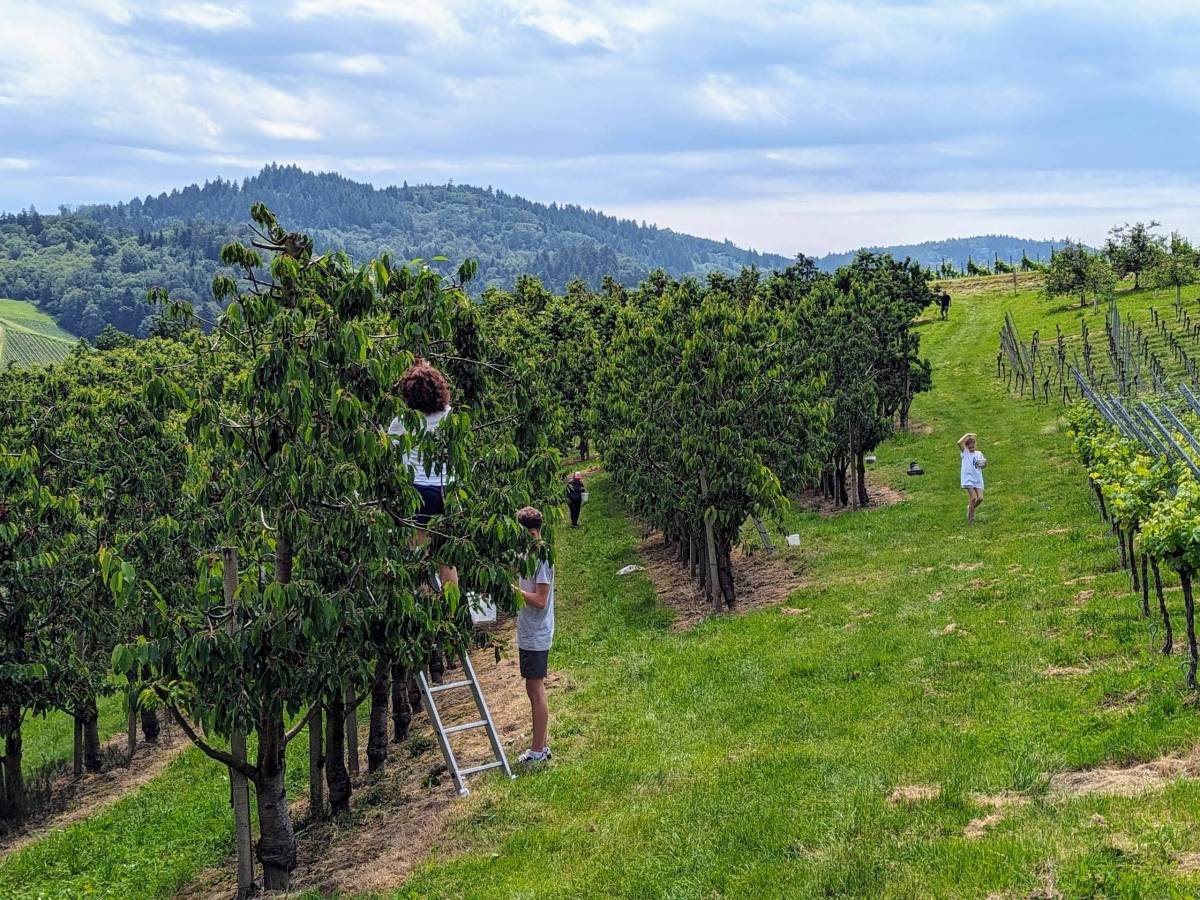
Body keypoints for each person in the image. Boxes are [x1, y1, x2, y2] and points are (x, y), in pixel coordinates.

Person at [389, 359, 458, 590]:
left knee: (419, 559)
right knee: (446, 560)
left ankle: (427, 612)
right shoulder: (449, 416)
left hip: (416, 492)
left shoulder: (399, 424)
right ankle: (451, 614)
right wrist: (426, 370)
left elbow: (392, 460)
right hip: (444, 489)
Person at [513, 506, 554, 764]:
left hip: (536, 631)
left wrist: (513, 591)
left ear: (530, 532)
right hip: (530, 629)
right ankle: (541, 746)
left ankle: (538, 751)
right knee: (533, 688)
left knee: (535, 689)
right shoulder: (530, 554)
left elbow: (540, 599)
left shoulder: (542, 556)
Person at [958, 432, 986, 523]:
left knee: (980, 498)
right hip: (968, 479)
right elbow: (959, 443)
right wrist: (967, 435)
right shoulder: (964, 452)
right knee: (973, 498)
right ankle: (971, 519)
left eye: (972, 447)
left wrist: (983, 465)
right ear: (966, 447)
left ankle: (970, 508)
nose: (971, 449)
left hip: (977, 478)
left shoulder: (979, 454)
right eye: (969, 448)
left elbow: (983, 465)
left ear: (975, 445)